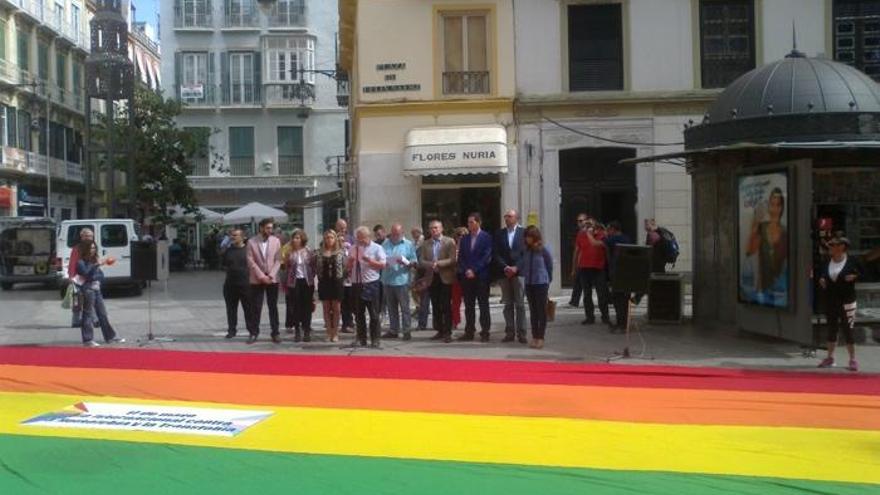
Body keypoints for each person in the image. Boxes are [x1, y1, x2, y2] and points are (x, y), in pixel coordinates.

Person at [818, 236, 861, 371]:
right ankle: (830, 358)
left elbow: (863, 274)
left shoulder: (852, 261)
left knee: (848, 330)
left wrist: (854, 277)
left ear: (842, 247)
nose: (830, 247)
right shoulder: (826, 261)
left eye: (833, 245)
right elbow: (822, 275)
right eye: (830, 245)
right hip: (831, 300)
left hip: (847, 301)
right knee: (832, 329)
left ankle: (852, 359)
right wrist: (822, 280)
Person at [76, 240, 124, 347]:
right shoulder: (80, 262)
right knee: (87, 314)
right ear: (85, 250)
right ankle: (88, 339)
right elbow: (86, 274)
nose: (93, 250)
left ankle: (110, 336)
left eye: (94, 248)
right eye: (90, 248)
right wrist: (96, 265)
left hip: (96, 288)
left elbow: (100, 275)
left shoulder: (93, 261)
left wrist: (97, 274)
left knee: (102, 313)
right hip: (88, 289)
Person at [457, 213, 494, 342]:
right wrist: (466, 270)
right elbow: (461, 256)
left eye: (471, 222)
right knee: (469, 305)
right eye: (468, 222)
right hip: (467, 277)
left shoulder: (486, 237)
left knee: (483, 305)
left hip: (481, 276)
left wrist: (474, 270)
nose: (469, 225)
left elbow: (486, 257)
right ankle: (469, 331)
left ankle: (485, 331)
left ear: (478, 223)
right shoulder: (465, 239)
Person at [348, 226, 386, 348]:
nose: (359, 241)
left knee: (374, 313)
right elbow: (347, 268)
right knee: (359, 313)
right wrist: (350, 262)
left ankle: (375, 339)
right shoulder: (353, 248)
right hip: (357, 283)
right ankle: (361, 338)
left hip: (372, 283)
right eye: (357, 239)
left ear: (368, 237)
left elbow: (383, 264)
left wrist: (370, 261)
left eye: (361, 238)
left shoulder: (377, 248)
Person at [418, 220, 457, 343]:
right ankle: (439, 330)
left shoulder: (449, 242)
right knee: (435, 305)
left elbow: (452, 259)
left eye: (436, 228)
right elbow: (421, 260)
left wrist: (438, 264)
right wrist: (431, 264)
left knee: (445, 305)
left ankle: (447, 332)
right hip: (432, 277)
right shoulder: (425, 244)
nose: (433, 230)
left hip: (445, 277)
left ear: (441, 229)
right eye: (431, 228)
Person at [246, 218, 282, 344]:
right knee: (256, 307)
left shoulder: (276, 241)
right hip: (257, 279)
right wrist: (261, 276)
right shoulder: (251, 242)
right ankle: (253, 333)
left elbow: (278, 260)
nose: (270, 230)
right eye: (267, 228)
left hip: (272, 279)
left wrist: (271, 276)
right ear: (261, 228)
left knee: (273, 307)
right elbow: (250, 261)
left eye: (271, 228)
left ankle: (275, 332)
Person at [746, 188, 788, 294]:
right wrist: (755, 225)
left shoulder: (786, 232)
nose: (774, 209)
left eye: (778, 205)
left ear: (782, 208)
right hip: (761, 288)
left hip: (780, 289)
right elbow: (750, 251)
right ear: (768, 206)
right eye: (772, 204)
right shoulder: (761, 227)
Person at [494, 209, 527, 344]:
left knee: (520, 304)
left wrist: (516, 267)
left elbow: (526, 253)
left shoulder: (524, 233)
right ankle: (509, 332)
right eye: (505, 216)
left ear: (516, 218)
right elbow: (495, 253)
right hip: (504, 273)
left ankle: (522, 333)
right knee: (508, 304)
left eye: (509, 216)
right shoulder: (499, 233)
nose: (507, 219)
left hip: (519, 273)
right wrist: (505, 267)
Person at [518, 226, 553, 349]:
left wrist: (548, 279)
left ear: (535, 236)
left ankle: (541, 337)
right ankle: (534, 336)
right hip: (529, 283)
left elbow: (549, 265)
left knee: (541, 311)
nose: (527, 239)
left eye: (529, 236)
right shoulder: (526, 250)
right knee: (533, 311)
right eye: (526, 236)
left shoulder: (543, 249)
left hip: (541, 283)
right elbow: (522, 264)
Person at [381, 223, 417, 340]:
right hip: (388, 280)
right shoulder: (385, 244)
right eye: (393, 234)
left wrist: (407, 262)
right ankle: (393, 330)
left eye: (397, 234)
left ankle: (406, 330)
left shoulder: (409, 244)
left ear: (402, 233)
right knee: (391, 307)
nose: (394, 236)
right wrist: (387, 261)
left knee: (405, 307)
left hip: (402, 280)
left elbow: (414, 260)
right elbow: (381, 259)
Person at [281, 229, 316, 342]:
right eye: (294, 238)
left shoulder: (308, 251)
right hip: (294, 282)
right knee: (295, 307)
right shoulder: (289, 252)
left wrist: (313, 279)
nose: (295, 240)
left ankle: (306, 330)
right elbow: (285, 268)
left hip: (306, 282)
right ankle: (297, 330)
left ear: (302, 239)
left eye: (297, 238)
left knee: (307, 307)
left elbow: (313, 266)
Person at [574, 218, 610, 324]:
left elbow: (600, 244)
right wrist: (575, 267)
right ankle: (590, 317)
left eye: (590, 223)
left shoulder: (602, 234)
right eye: (586, 224)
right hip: (584, 267)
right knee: (587, 294)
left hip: (598, 268)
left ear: (595, 225)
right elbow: (577, 251)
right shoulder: (581, 235)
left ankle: (605, 316)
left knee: (601, 293)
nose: (588, 225)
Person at [317, 229, 346, 342]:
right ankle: (328, 331)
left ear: (335, 239)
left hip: (337, 282)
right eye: (327, 238)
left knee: (336, 308)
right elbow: (316, 268)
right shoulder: (319, 252)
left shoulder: (341, 252)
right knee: (326, 307)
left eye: (331, 237)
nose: (329, 240)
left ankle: (335, 332)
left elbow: (345, 267)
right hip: (324, 282)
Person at [604, 221, 632, 331]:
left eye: (609, 229)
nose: (608, 231)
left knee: (618, 300)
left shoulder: (614, 239)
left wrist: (604, 233)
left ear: (613, 230)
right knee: (624, 300)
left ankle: (621, 324)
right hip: (626, 273)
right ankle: (623, 323)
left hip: (618, 273)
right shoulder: (626, 238)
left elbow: (601, 242)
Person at [222, 229, 250, 339]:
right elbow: (224, 264)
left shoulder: (248, 250)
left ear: (242, 237)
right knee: (231, 309)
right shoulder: (228, 250)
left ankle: (251, 330)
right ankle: (231, 330)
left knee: (248, 309)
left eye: (235, 235)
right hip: (230, 284)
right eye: (232, 235)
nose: (233, 237)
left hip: (246, 284)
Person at [68, 227, 94, 327]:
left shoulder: (92, 247)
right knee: (77, 301)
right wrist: (71, 277)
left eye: (91, 236)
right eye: (87, 236)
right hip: (78, 279)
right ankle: (75, 321)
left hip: (89, 278)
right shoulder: (77, 248)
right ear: (82, 237)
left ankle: (93, 320)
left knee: (91, 300)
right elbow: (72, 263)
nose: (89, 237)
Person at [335, 219, 355, 333]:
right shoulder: (333, 238)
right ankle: (346, 323)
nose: (343, 230)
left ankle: (350, 322)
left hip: (351, 276)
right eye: (341, 227)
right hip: (340, 276)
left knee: (351, 300)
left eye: (345, 227)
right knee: (343, 302)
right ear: (336, 227)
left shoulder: (351, 238)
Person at [568, 214, 588, 307]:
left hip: (589, 262)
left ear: (586, 221)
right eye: (578, 221)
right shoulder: (578, 233)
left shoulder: (591, 232)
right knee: (578, 282)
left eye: (581, 221)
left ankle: (574, 301)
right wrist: (574, 267)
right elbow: (576, 251)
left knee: (582, 283)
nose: (579, 223)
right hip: (581, 262)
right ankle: (574, 301)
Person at [451, 227, 468, 330]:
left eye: (463, 235)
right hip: (455, 277)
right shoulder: (452, 247)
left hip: (467, 276)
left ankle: (470, 324)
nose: (461, 237)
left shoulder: (469, 246)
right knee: (455, 302)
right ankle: (455, 321)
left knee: (468, 301)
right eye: (459, 235)